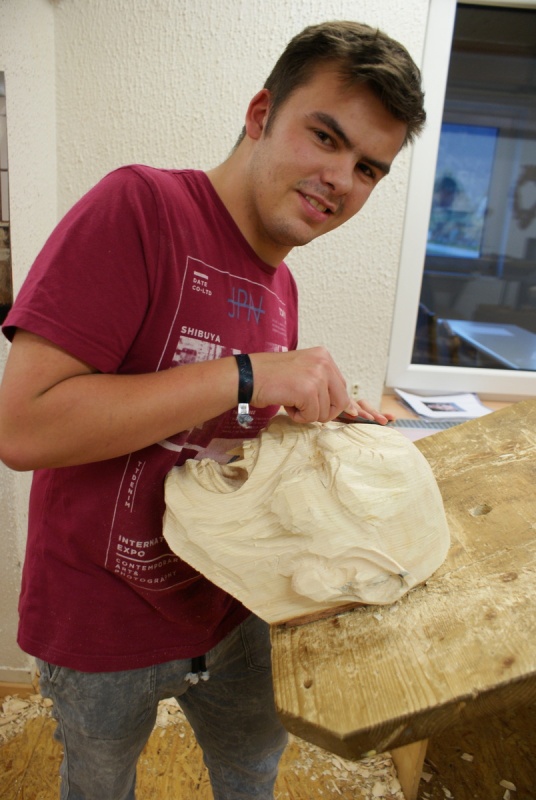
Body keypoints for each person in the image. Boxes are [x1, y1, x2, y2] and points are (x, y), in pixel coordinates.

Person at [0, 20, 425, 800]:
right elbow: (24, 428)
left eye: (368, 167)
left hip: (236, 608)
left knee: (252, 773)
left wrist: (311, 425)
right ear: (261, 114)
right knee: (98, 784)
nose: (341, 178)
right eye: (325, 136)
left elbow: (225, 430)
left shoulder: (281, 284)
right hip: (100, 618)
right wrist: (249, 373)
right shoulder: (140, 207)